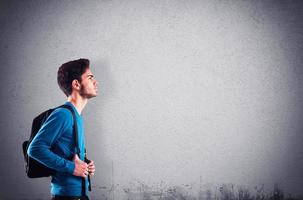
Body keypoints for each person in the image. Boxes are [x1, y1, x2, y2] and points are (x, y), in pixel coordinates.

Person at [27, 58, 98, 200]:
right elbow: (34, 148)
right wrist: (72, 168)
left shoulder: (76, 115)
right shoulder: (64, 115)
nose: (95, 82)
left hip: (79, 195)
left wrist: (85, 164)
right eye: (90, 78)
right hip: (66, 197)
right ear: (76, 84)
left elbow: (66, 151)